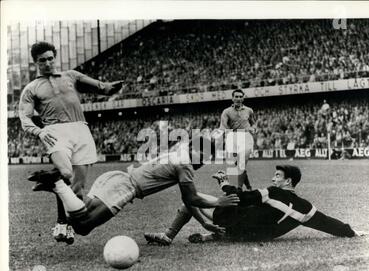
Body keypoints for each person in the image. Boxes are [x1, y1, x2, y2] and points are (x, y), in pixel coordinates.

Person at [28, 136, 240, 237]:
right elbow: (192, 198)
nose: (203, 161)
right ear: (194, 150)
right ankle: (58, 184)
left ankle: (60, 186)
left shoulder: (180, 151)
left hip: (115, 178)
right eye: (203, 155)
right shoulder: (185, 165)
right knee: (83, 226)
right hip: (126, 187)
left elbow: (187, 198)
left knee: (81, 211)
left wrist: (204, 223)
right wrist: (218, 201)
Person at [19, 42, 124, 244]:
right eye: (43, 60)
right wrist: (39, 132)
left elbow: (103, 88)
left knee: (76, 190)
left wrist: (113, 87)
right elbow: (25, 118)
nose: (48, 63)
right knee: (65, 173)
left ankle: (65, 224)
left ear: (55, 58)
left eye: (51, 58)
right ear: (36, 62)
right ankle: (60, 220)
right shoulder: (31, 89)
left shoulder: (72, 76)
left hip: (81, 130)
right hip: (54, 132)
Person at [144, 165, 368, 245]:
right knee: (244, 209)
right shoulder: (305, 207)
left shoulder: (271, 192)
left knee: (190, 198)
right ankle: (215, 235)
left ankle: (169, 235)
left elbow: (242, 198)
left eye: (277, 175)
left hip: (234, 224)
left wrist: (224, 184)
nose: (273, 179)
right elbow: (326, 223)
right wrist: (351, 232)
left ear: (288, 181)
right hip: (257, 236)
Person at [218, 89, 256, 190]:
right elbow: (223, 125)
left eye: (240, 96)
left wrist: (253, 129)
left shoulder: (249, 110)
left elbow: (253, 122)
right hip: (232, 138)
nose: (238, 98)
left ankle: (238, 188)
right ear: (232, 98)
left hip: (246, 137)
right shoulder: (226, 112)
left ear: (243, 98)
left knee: (241, 163)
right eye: (236, 96)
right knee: (235, 164)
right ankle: (248, 186)